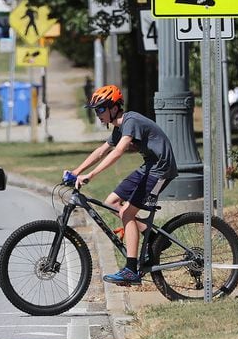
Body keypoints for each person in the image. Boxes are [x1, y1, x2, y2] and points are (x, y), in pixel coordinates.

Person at [66, 85, 178, 285]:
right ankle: (154, 239)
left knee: (127, 214)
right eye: (95, 110)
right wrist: (76, 171)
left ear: (113, 108)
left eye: (100, 109)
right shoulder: (119, 127)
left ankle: (130, 269)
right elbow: (102, 151)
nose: (98, 114)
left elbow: (117, 152)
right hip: (149, 166)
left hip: (161, 169)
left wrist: (90, 175)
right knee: (111, 202)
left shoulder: (131, 121)